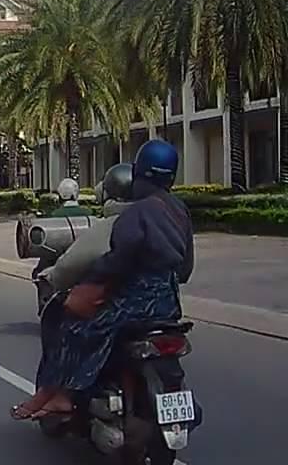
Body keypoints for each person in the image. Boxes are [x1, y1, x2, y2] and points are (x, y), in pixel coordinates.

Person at [11, 139, 194, 420]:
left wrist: (91, 284)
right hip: (168, 305)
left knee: (73, 327)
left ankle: (63, 395)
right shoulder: (179, 211)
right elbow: (185, 269)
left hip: (133, 305)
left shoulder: (136, 213)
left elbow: (118, 260)